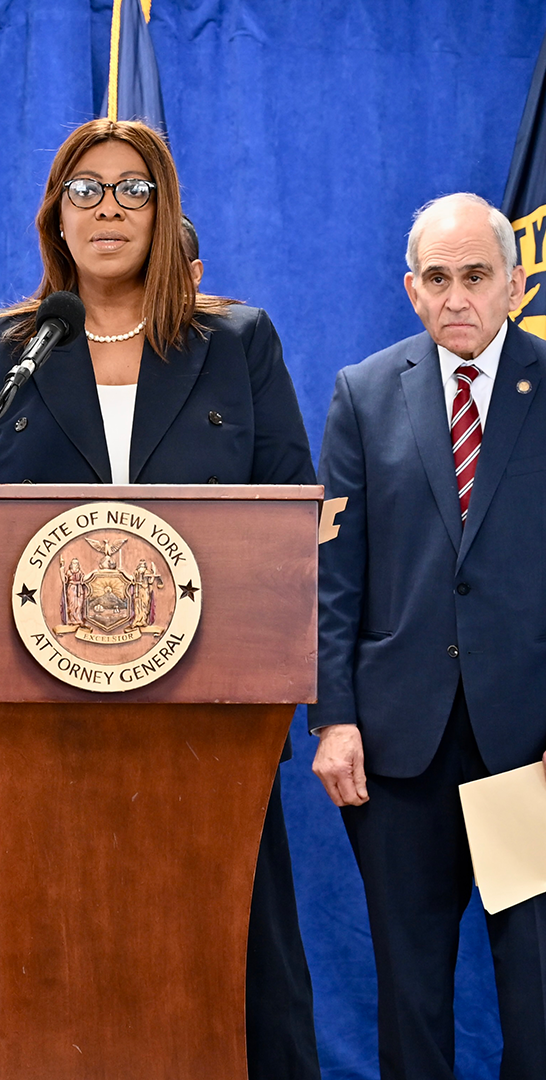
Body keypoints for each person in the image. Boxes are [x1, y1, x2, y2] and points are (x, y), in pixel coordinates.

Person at [0, 118, 320, 1079]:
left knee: (234, 970)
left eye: (133, 189)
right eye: (86, 189)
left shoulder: (237, 340)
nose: (109, 208)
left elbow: (291, 518)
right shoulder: (2, 348)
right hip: (34, 727)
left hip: (211, 726)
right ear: (55, 216)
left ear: (164, 209)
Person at [310, 192, 546, 1079]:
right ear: (412, 289)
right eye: (437, 278)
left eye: (476, 276)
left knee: (536, 991)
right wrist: (334, 717)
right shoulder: (364, 395)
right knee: (411, 994)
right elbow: (334, 576)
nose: (457, 297)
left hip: (526, 754)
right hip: (400, 752)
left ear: (514, 285)